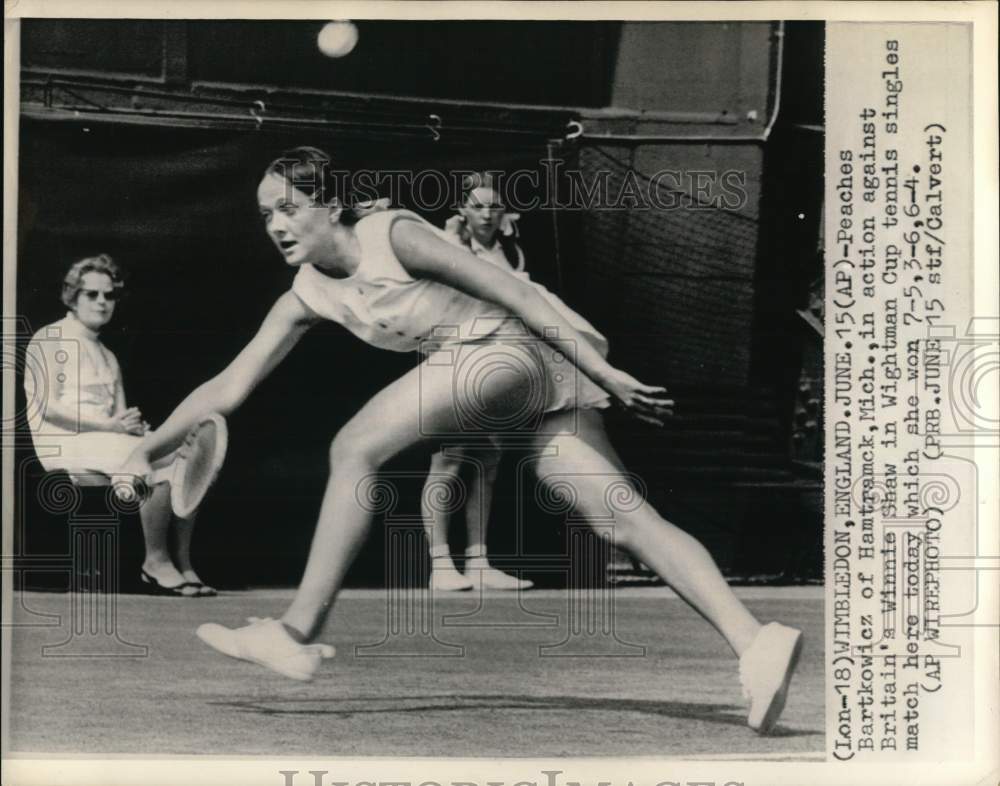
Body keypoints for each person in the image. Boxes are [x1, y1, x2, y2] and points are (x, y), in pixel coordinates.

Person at [119, 147, 802, 733]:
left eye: (288, 208)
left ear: (328, 205)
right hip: (514, 377)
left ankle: (296, 633)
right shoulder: (305, 295)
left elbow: (516, 295)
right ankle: (755, 642)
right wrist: (147, 451)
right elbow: (227, 387)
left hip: (519, 348)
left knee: (353, 446)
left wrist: (604, 371)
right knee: (623, 518)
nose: (275, 225)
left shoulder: (396, 235)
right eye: (266, 214)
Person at [423, 172, 608, 592]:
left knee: (488, 463)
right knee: (448, 462)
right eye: (477, 206)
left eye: (494, 206)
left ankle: (478, 562)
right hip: (456, 357)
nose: (487, 214)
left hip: (498, 361)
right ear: (462, 211)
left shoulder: (512, 250)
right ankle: (440, 565)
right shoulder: (447, 244)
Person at [24, 254, 215, 597]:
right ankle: (155, 563)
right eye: (92, 294)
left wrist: (137, 430)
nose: (102, 302)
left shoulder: (108, 355)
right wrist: (111, 426)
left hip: (106, 440)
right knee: (154, 462)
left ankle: (183, 563)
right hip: (63, 442)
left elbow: (121, 417)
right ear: (72, 296)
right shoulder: (49, 337)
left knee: (186, 455)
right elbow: (45, 407)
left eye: (109, 295)